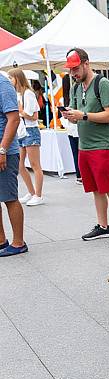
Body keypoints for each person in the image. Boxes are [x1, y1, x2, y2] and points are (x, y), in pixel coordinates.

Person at [62, 48, 109, 244]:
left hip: (102, 144)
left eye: (75, 68)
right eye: (70, 70)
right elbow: (77, 118)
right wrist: (71, 116)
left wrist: (83, 115)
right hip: (84, 145)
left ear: (86, 63)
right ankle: (102, 225)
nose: (73, 73)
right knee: (95, 188)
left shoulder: (103, 83)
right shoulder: (75, 87)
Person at [0, 72, 28, 257]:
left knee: (10, 197)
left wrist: (2, 149)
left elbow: (14, 118)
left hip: (5, 152)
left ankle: (19, 242)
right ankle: (1, 240)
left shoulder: (2, 83)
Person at [8, 68, 45, 206]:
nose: (10, 81)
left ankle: (38, 195)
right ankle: (31, 191)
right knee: (20, 165)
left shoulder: (28, 94)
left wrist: (21, 112)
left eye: (11, 78)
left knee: (35, 165)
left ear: (17, 78)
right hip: (22, 131)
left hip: (30, 130)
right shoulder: (17, 94)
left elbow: (34, 116)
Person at [61, 73, 81, 184]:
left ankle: (79, 175)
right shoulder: (76, 91)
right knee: (79, 153)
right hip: (76, 127)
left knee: (76, 153)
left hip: (72, 127)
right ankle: (80, 175)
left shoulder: (67, 95)